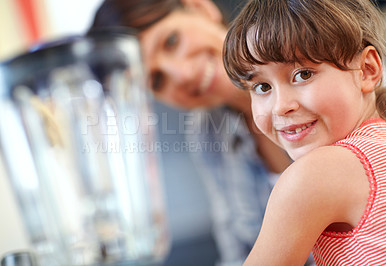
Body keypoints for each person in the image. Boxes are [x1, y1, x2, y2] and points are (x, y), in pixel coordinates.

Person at [89, 0, 293, 265]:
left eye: (171, 41)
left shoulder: (315, 68)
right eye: (157, 80)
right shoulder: (207, 131)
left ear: (200, 7)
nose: (182, 74)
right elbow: (236, 253)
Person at [223, 0, 386, 265]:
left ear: (367, 71)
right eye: (262, 87)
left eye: (303, 74)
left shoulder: (316, 174)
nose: (282, 107)